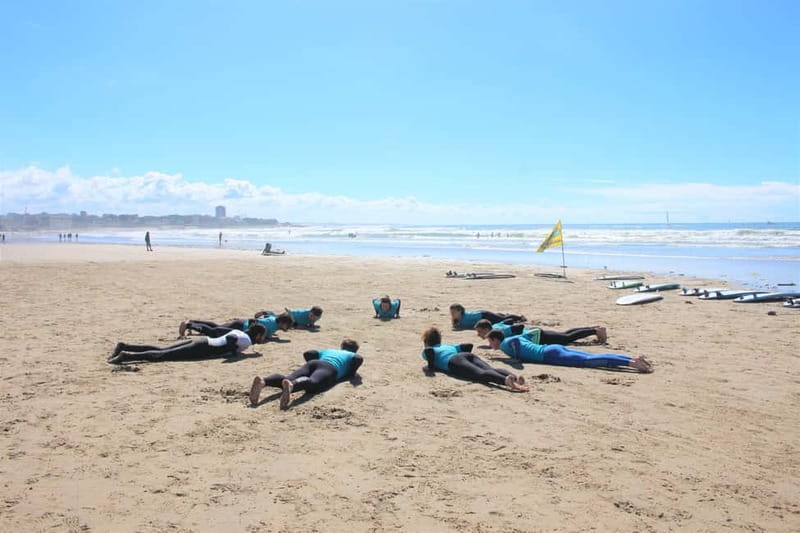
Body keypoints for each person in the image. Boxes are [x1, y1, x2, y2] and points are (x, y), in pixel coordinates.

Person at [249, 339, 363, 409]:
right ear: (354, 350)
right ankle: (293, 385)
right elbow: (359, 358)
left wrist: (310, 364)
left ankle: (264, 381)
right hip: (330, 368)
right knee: (314, 384)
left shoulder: (330, 350)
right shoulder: (351, 355)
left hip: (314, 363)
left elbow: (309, 353)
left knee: (287, 378)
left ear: (342, 347)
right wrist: (351, 373)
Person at [486, 330, 653, 372]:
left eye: (489, 341)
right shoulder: (511, 339)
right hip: (551, 348)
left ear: (495, 339)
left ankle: (631, 363)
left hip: (549, 355)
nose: (490, 344)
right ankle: (631, 359)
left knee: (589, 361)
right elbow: (529, 335)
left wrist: (517, 359)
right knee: (592, 356)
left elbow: (515, 342)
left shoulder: (506, 343)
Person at [421, 327, 528, 392]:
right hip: (466, 355)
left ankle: (506, 381)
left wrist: (431, 366)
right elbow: (468, 345)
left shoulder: (429, 349)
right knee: (491, 369)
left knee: (480, 374)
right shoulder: (447, 346)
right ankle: (515, 378)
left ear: (426, 342)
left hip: (453, 361)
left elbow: (429, 351)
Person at [108, 323, 267, 364]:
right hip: (203, 348)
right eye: (262, 337)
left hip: (202, 341)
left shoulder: (240, 332)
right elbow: (231, 340)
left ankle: (124, 346)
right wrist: (232, 353)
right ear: (258, 335)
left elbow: (220, 332)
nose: (262, 340)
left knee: (162, 349)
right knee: (163, 355)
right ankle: (126, 356)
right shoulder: (246, 341)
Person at [475, 319, 607, 345]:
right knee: (564, 334)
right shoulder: (495, 328)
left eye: (480, 332)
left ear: (487, 329)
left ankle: (595, 331)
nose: (478, 335)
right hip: (535, 333)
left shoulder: (499, 331)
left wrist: (521, 335)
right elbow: (509, 321)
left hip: (536, 336)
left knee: (566, 339)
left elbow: (519, 326)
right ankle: (590, 328)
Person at [179, 311, 293, 339]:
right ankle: (188, 325)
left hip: (241, 322)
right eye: (287, 326)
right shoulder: (273, 326)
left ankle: (193, 322)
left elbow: (265, 314)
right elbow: (262, 331)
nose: (288, 328)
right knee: (215, 332)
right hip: (241, 327)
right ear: (282, 323)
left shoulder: (273, 318)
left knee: (217, 327)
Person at [449, 303, 525, 330]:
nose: (452, 314)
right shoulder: (457, 319)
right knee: (497, 321)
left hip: (485, 315)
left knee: (502, 319)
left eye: (454, 312)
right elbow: (455, 326)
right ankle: (501, 315)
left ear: (460, 311)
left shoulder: (465, 316)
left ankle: (520, 317)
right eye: (451, 312)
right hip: (483, 318)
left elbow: (481, 314)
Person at [254, 306, 323, 329]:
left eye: (315, 318)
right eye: (311, 316)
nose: (312, 318)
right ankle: (266, 313)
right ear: (309, 311)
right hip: (290, 317)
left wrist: (312, 324)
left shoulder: (318, 316)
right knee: (277, 319)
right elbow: (290, 312)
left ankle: (267, 316)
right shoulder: (302, 314)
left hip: (296, 321)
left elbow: (312, 322)